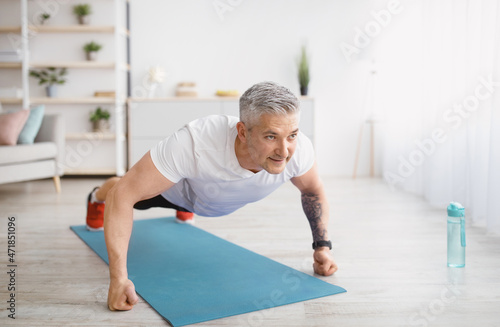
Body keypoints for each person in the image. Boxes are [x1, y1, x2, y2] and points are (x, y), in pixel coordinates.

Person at [85, 81, 338, 311]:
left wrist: (322, 248)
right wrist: (118, 280)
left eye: (292, 135)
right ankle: (95, 198)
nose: (284, 151)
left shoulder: (299, 148)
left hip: (209, 196)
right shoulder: (195, 142)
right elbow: (124, 195)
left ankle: (192, 202)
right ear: (242, 132)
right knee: (121, 187)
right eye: (271, 136)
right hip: (179, 192)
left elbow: (313, 191)